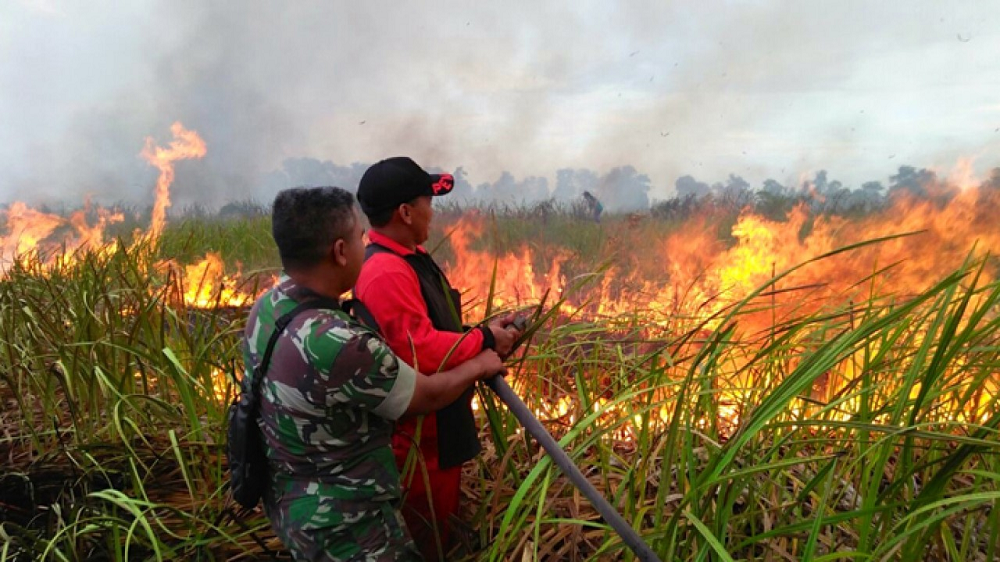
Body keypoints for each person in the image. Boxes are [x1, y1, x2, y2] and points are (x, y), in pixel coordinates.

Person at [243, 186, 504, 561]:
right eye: (359, 236)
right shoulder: (341, 344)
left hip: (291, 502)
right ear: (340, 251)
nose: (366, 243)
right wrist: (480, 363)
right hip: (347, 523)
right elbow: (425, 396)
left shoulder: (268, 307)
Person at [354, 157, 522, 560]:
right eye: (427, 200)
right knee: (425, 538)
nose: (433, 210)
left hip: (437, 432)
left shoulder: (410, 258)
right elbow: (420, 350)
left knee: (440, 529)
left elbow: (429, 328)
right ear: (405, 212)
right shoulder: (386, 273)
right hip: (417, 444)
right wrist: (483, 341)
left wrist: (483, 333)